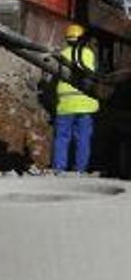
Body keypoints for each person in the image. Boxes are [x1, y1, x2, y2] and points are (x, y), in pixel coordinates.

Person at [52, 24, 99, 175]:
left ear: (68, 39)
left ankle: (59, 169)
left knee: (62, 137)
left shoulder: (63, 54)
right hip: (85, 104)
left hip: (66, 105)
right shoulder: (89, 54)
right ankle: (81, 169)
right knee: (83, 138)